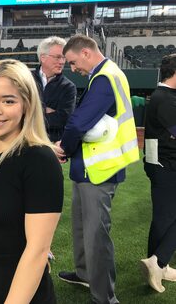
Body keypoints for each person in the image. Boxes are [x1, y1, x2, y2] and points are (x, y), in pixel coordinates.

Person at [0, 59, 63, 303]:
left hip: (22, 294)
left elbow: (38, 251)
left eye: (8, 101)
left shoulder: (39, 159)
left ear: (26, 106)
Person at [56, 34, 139, 304]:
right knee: (82, 228)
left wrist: (64, 148)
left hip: (100, 169)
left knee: (95, 236)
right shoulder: (105, 75)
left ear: (86, 53)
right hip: (90, 168)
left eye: (72, 62)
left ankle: (104, 297)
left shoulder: (105, 77)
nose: (72, 68)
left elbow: (78, 124)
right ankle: (84, 273)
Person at [140, 53, 176, 293]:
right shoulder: (164, 98)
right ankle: (158, 261)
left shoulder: (165, 96)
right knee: (165, 218)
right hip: (165, 166)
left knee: (164, 218)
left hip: (163, 164)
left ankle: (158, 264)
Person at [32, 36, 77, 142]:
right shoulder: (26, 79)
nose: (62, 62)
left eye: (63, 57)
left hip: (52, 145)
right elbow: (18, 111)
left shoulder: (68, 87)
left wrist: (33, 113)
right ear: (43, 57)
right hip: (25, 142)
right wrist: (46, 110)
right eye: (57, 57)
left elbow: (62, 120)